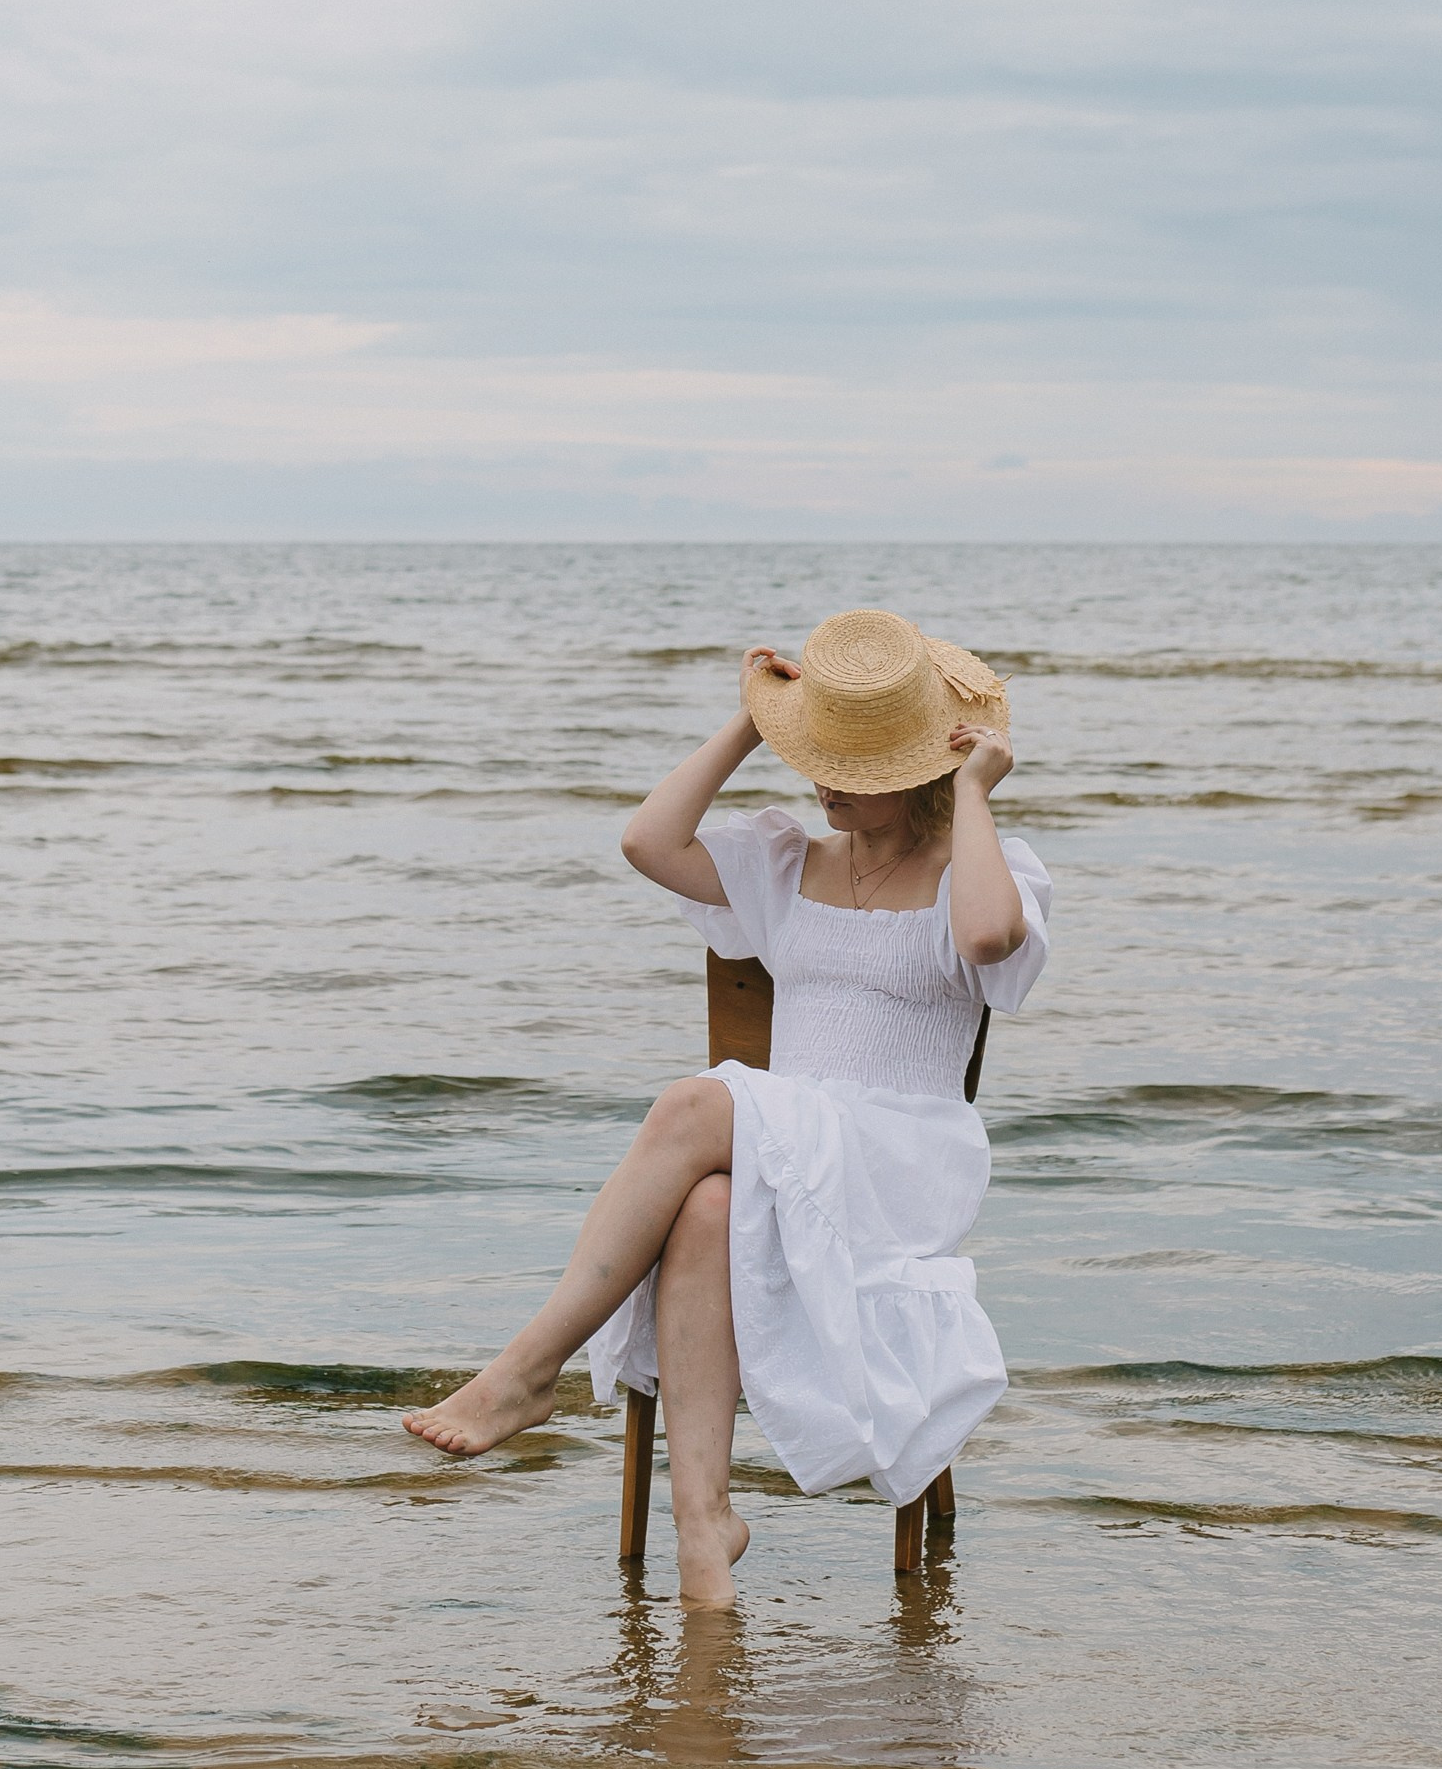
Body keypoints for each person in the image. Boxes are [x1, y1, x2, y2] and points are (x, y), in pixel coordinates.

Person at [404, 606, 1052, 1609]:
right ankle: (706, 1532)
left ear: (917, 771)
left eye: (855, 768)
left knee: (690, 1101)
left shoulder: (983, 869)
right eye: (817, 757)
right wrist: (754, 722)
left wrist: (973, 796)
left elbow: (985, 941)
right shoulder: (785, 860)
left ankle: (530, 1367)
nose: (825, 781)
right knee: (703, 1208)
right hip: (788, 1144)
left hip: (897, 1163)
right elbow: (647, 841)